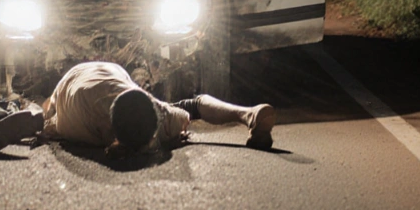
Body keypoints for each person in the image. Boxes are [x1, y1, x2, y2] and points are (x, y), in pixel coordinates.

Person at [41, 61, 276, 156]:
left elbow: (184, 117)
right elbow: (48, 118)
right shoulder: (73, 123)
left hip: (111, 74)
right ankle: (249, 114)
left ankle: (250, 114)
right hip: (83, 73)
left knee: (189, 107)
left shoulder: (155, 112)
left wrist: (172, 135)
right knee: (191, 106)